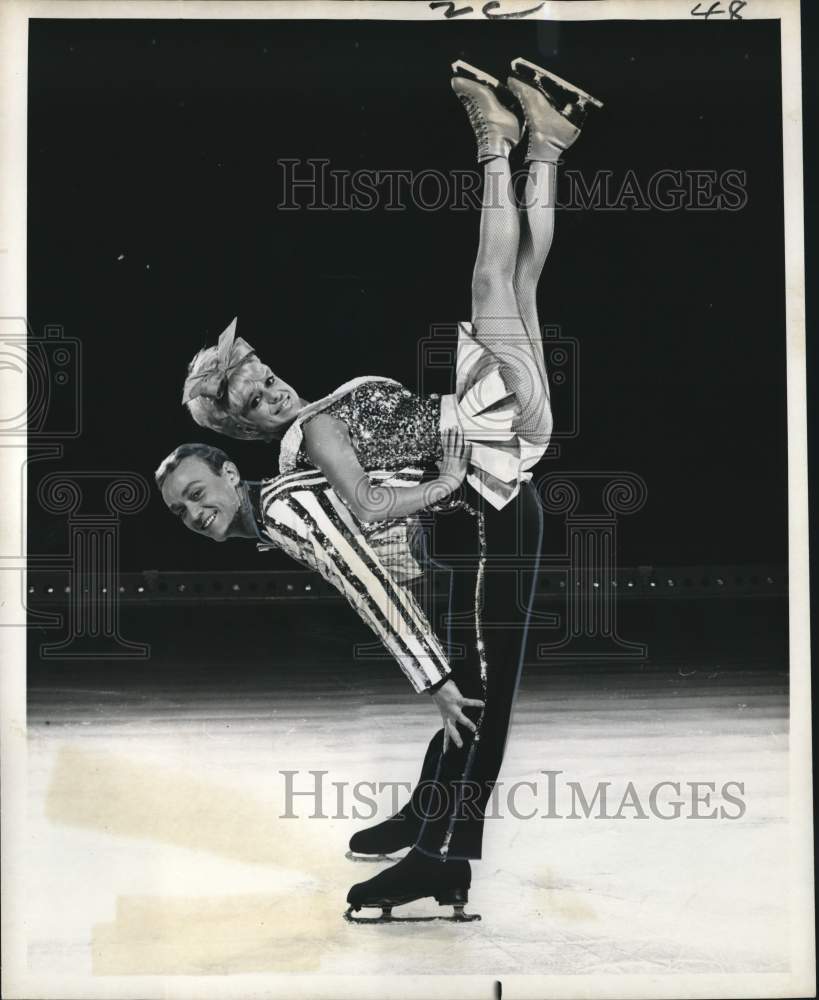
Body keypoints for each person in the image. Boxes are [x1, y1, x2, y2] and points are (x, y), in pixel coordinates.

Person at [170, 57, 602, 920]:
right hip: (482, 450)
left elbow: (370, 515)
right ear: (239, 431)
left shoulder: (311, 423)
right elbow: (368, 517)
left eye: (254, 367)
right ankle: (497, 141)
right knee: (495, 284)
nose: (262, 382)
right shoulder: (304, 439)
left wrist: (431, 494)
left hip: (486, 449)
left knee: (515, 283)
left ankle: (544, 143)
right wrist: (446, 477)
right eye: (245, 392)